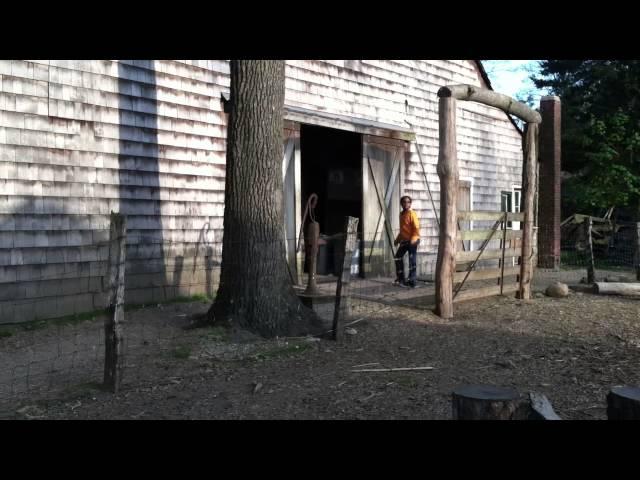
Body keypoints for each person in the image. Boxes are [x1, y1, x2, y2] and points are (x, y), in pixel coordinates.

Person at [393, 196, 420, 288]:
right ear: (401, 204)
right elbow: (402, 230)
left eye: (408, 202)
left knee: (412, 260)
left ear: (410, 203)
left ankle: (412, 282)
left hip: (413, 240)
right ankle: (401, 279)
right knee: (397, 257)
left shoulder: (412, 213)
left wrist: (413, 240)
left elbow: (416, 227)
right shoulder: (401, 214)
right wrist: (397, 240)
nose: (406, 204)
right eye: (404, 202)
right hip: (404, 240)